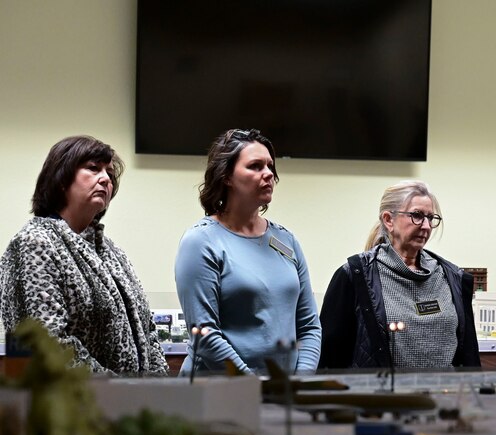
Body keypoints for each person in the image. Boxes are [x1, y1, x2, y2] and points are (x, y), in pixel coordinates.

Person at [0, 136, 167, 375]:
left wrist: (159, 385)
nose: (105, 179)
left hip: (131, 404)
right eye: (93, 168)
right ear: (60, 179)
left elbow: (147, 329)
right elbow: (48, 346)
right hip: (74, 406)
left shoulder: (112, 251)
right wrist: (119, 391)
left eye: (109, 173)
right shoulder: (34, 242)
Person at [175, 128, 320, 375]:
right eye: (255, 166)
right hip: (218, 390)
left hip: (282, 391)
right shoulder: (201, 241)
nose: (268, 174)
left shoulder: (286, 240)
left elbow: (309, 326)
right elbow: (205, 335)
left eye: (270, 166)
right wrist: (253, 385)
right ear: (227, 177)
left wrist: (300, 382)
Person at [318, 180, 480, 369]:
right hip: (385, 397)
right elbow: (330, 358)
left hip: (444, 396)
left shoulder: (453, 278)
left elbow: (469, 358)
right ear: (388, 220)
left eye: (430, 218)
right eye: (417, 216)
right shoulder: (355, 276)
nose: (426, 226)